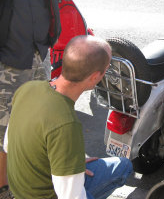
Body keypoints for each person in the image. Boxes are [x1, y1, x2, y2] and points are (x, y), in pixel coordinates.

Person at [4, 35, 133, 199]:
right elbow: (71, 197)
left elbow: (9, 146)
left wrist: (70, 165)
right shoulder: (66, 124)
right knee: (124, 166)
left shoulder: (28, 88)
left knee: (122, 165)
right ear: (95, 77)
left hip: (21, 190)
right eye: (107, 68)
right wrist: (71, 170)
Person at [0, 0, 61, 197]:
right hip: (8, 59)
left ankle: (32, 183)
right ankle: (4, 190)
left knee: (36, 126)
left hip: (38, 52)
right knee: (4, 131)